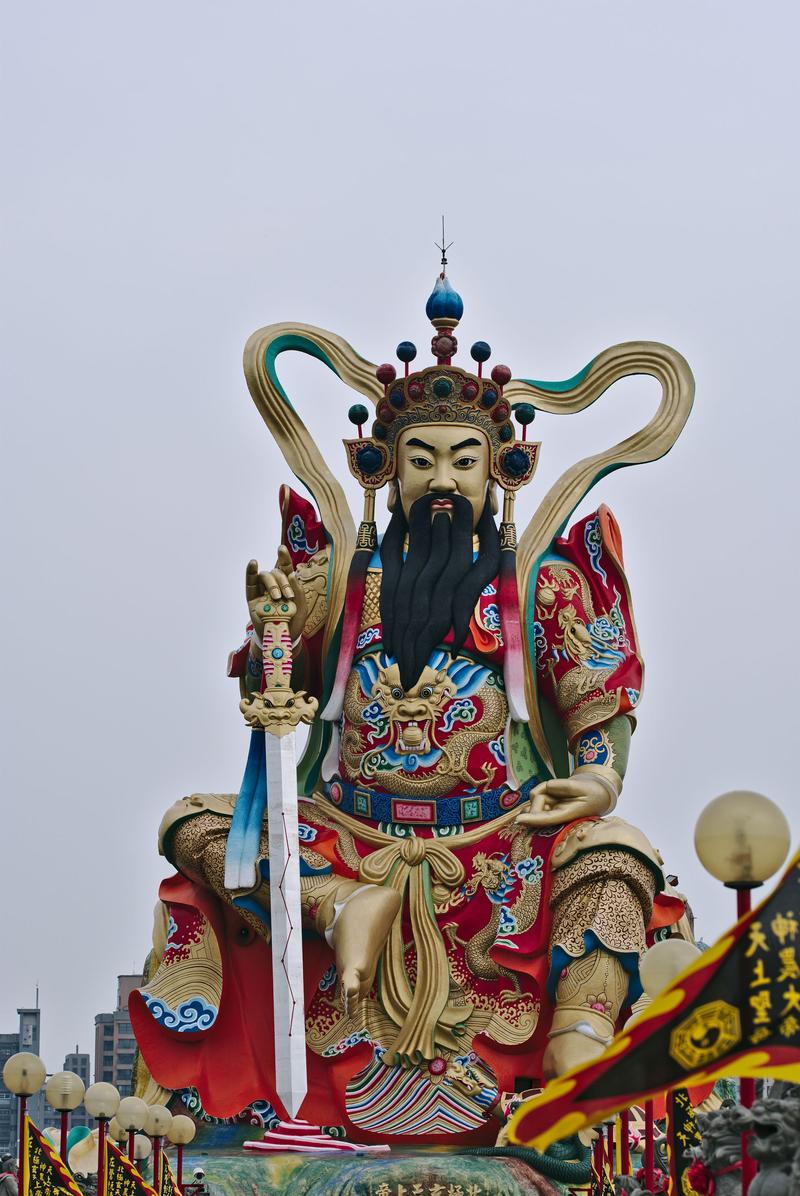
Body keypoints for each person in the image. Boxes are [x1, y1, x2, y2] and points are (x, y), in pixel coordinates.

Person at [130, 272, 693, 1146]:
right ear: (384, 472)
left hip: (497, 840)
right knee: (197, 823)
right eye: (420, 460)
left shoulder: (542, 587)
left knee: (617, 855)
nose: (441, 480)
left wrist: (595, 782)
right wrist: (277, 617)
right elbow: (270, 697)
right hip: (348, 840)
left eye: (462, 462)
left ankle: (578, 1052)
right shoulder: (344, 579)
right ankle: (328, 908)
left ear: (497, 469)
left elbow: (597, 699)